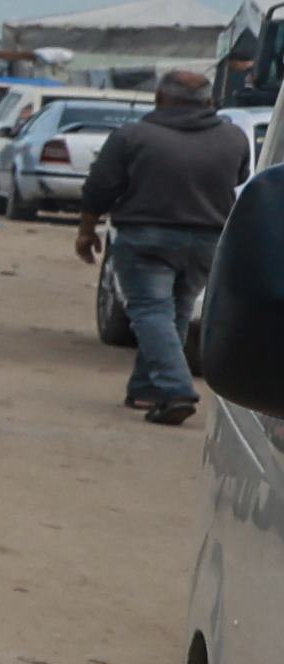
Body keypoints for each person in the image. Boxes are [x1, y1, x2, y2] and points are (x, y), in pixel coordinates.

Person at [88, 87, 259, 427]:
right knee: (176, 311)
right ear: (208, 101)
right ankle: (146, 388)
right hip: (207, 239)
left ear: (160, 98)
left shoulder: (132, 136)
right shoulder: (233, 138)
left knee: (150, 311)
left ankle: (175, 388)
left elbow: (100, 186)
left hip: (145, 237)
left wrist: (86, 229)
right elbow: (240, 177)